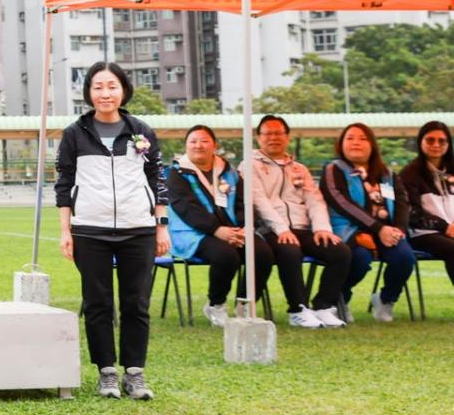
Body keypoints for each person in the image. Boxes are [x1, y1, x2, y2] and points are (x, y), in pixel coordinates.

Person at [54, 61, 168, 400]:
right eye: (98, 87)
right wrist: (66, 231)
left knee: (137, 303)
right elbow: (64, 184)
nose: (105, 93)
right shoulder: (75, 133)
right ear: (89, 92)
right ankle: (106, 372)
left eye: (112, 86)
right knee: (97, 303)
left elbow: (157, 180)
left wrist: (161, 227)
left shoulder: (141, 131)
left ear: (123, 90)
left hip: (139, 229)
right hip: (90, 230)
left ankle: (135, 373)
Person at [166, 126, 326, 329]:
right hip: (194, 232)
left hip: (233, 231)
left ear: (215, 145)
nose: (199, 145)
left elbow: (244, 202)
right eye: (193, 141)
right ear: (186, 146)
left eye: (204, 141)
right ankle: (216, 304)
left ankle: (245, 303)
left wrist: (243, 227)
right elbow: (187, 208)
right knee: (226, 255)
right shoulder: (176, 173)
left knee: (263, 253)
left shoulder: (228, 172)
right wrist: (217, 230)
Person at [246, 114, 348, 328]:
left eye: (278, 133)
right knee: (290, 251)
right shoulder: (249, 166)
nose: (273, 138)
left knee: (340, 251)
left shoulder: (298, 168)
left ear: (287, 137)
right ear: (258, 137)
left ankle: (323, 306)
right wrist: (282, 229)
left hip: (302, 228)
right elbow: (259, 201)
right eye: (268, 133)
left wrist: (322, 228)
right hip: (270, 230)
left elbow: (315, 200)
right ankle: (298, 309)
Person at [322, 122, 415, 322]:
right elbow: (341, 202)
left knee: (404, 258)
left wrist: (398, 229)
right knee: (360, 259)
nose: (356, 142)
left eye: (363, 138)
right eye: (350, 138)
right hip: (349, 229)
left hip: (386, 230)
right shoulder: (333, 169)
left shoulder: (387, 174)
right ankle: (342, 298)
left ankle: (385, 299)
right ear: (341, 144)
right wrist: (377, 228)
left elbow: (402, 201)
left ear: (372, 145)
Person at [396, 119, 454, 289]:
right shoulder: (409, 173)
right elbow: (411, 213)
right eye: (430, 140)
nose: (436, 145)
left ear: (448, 144)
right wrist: (445, 227)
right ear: (420, 142)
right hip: (423, 233)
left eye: (442, 141)